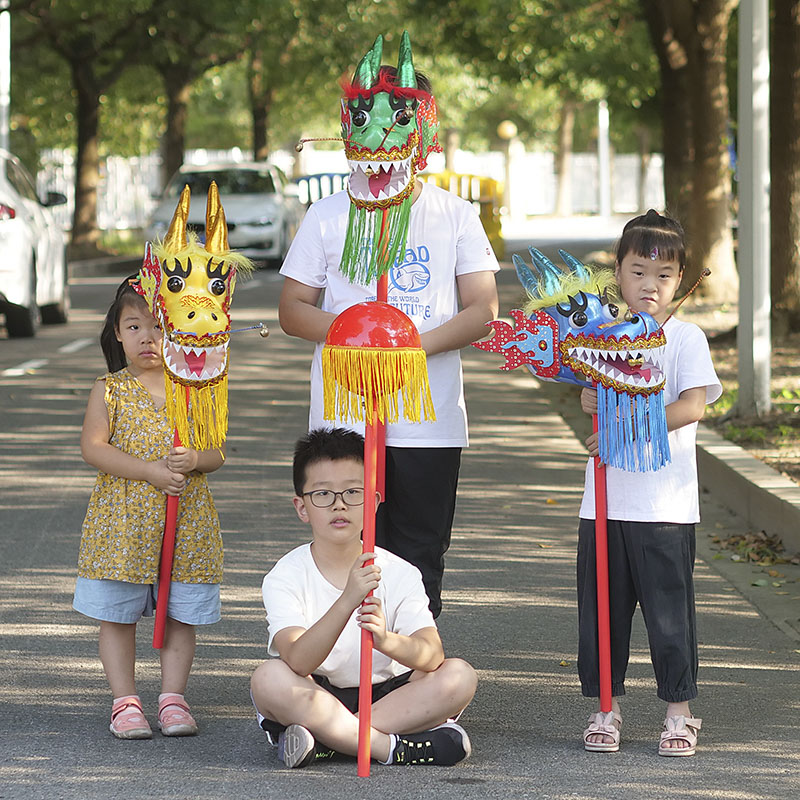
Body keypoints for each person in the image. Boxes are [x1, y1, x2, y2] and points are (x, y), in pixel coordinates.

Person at [279, 53, 499, 619]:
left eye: (399, 117)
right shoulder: (326, 214)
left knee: (420, 550)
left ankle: (408, 679)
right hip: (344, 413)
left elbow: (482, 309)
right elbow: (292, 309)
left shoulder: (455, 214)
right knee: (342, 547)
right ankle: (342, 675)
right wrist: (356, 331)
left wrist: (406, 344)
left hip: (429, 419)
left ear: (423, 127)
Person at [577, 210, 721, 757]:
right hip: (605, 502)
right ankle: (605, 710)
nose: (650, 285)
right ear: (618, 272)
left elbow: (693, 406)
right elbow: (590, 398)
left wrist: (627, 422)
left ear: (680, 279)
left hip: (665, 504)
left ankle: (680, 714)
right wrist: (591, 400)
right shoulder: (601, 336)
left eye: (664, 275)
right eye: (638, 272)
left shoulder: (685, 338)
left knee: (668, 613)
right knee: (603, 613)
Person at [250, 428, 478, 768]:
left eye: (353, 492)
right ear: (301, 507)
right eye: (323, 493)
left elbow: (432, 656)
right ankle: (390, 748)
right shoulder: (286, 575)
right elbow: (298, 662)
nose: (339, 504)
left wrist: (386, 640)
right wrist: (347, 599)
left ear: (372, 502)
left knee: (460, 675)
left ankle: (329, 742)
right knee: (268, 679)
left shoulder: (399, 571)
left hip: (391, 691)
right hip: (320, 691)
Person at [72, 276, 225, 739]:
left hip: (187, 523)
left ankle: (173, 698)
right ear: (118, 333)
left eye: (160, 327)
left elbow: (217, 452)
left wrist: (195, 459)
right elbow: (92, 448)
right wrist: (149, 471)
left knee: (179, 613)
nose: (148, 338)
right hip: (123, 524)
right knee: (117, 615)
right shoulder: (110, 389)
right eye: (135, 327)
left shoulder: (198, 388)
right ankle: (125, 702)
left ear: (179, 331)